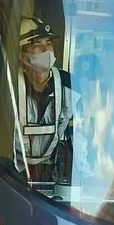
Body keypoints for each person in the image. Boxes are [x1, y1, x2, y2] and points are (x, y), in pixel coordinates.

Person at [15, 17, 82, 191]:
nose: (47, 50)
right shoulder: (6, 86)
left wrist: (85, 183)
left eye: (49, 43)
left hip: (51, 178)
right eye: (38, 45)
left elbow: (80, 139)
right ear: (23, 56)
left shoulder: (70, 86)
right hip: (10, 176)